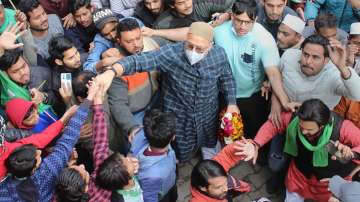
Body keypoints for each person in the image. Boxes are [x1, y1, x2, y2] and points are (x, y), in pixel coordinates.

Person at [95, 22, 239, 162]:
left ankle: (210, 164)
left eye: (199, 49)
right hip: (180, 117)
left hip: (208, 114)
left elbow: (227, 78)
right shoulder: (171, 54)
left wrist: (232, 103)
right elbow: (140, 61)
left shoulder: (219, 55)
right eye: (190, 45)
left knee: (210, 144)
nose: (193, 52)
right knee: (182, 151)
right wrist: (113, 71)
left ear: (210, 46)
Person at [237, 99, 360, 202]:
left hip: (329, 181)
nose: (303, 132)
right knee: (292, 195)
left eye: (309, 130)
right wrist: (256, 144)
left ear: (322, 126)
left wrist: (352, 153)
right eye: (301, 127)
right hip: (299, 174)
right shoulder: (294, 118)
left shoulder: (344, 128)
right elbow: (273, 125)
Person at [214, 0, 293, 139]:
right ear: (232, 16)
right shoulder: (217, 32)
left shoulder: (264, 38)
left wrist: (284, 101)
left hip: (254, 96)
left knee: (254, 134)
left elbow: (273, 73)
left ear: (255, 19)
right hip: (223, 94)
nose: (243, 26)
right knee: (227, 134)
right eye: (239, 20)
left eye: (248, 22)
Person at [0, 85, 94, 201]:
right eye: (38, 157)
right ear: (33, 171)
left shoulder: (4, 192)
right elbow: (67, 140)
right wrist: (90, 98)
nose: (39, 150)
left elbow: (42, 139)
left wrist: (63, 118)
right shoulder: (48, 172)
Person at [55, 83, 114, 202]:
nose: (82, 165)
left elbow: (67, 139)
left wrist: (70, 165)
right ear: (86, 188)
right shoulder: (102, 191)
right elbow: (101, 146)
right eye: (84, 173)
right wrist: (96, 102)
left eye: (76, 168)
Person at [105, 18, 159, 146]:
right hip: (135, 115)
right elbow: (118, 104)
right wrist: (132, 127)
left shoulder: (146, 47)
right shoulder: (116, 67)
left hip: (154, 103)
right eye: (129, 41)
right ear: (119, 41)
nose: (136, 44)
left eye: (138, 38)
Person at [0, 48, 59, 132]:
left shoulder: (43, 74)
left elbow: (58, 99)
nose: (22, 73)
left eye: (23, 66)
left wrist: (43, 97)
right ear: (6, 73)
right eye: (15, 71)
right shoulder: (4, 85)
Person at [130, 109, 177, 202]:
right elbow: (149, 198)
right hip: (163, 193)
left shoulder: (140, 134)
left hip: (168, 181)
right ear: (173, 137)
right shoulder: (153, 175)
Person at [48, 35, 82, 116]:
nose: (77, 59)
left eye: (76, 52)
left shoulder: (82, 61)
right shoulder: (58, 84)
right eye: (71, 58)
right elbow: (62, 113)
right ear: (59, 62)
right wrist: (67, 101)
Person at [153, 0, 233, 29]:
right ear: (172, 5)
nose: (187, 5)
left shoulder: (203, 3)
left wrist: (227, 15)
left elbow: (235, 4)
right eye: (181, 3)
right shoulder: (162, 23)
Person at [83, 8, 119, 73]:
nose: (113, 36)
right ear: (100, 33)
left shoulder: (128, 22)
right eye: (106, 34)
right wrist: (102, 62)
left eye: (114, 29)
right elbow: (88, 67)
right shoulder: (100, 41)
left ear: (117, 22)